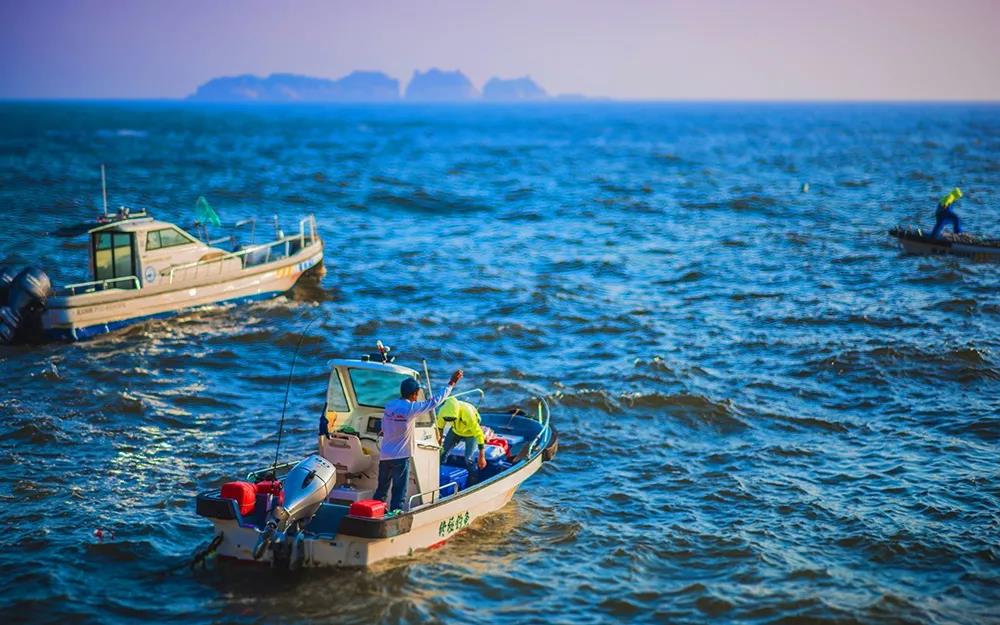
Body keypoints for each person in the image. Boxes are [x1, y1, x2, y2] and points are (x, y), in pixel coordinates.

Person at [375, 369, 463, 513]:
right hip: (400, 457)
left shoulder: (389, 405)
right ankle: (394, 518)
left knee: (381, 490)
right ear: (414, 394)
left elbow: (383, 427)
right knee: (398, 492)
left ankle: (374, 513)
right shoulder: (411, 408)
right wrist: (451, 383)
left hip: (385, 456)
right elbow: (435, 401)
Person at [436, 397, 488, 483]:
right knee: (442, 453)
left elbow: (479, 434)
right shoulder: (442, 411)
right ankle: (438, 477)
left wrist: (482, 456)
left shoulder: (468, 414)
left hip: (470, 433)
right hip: (455, 430)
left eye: (452, 419)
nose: (450, 420)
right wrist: (439, 443)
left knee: (468, 458)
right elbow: (440, 428)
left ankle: (473, 481)